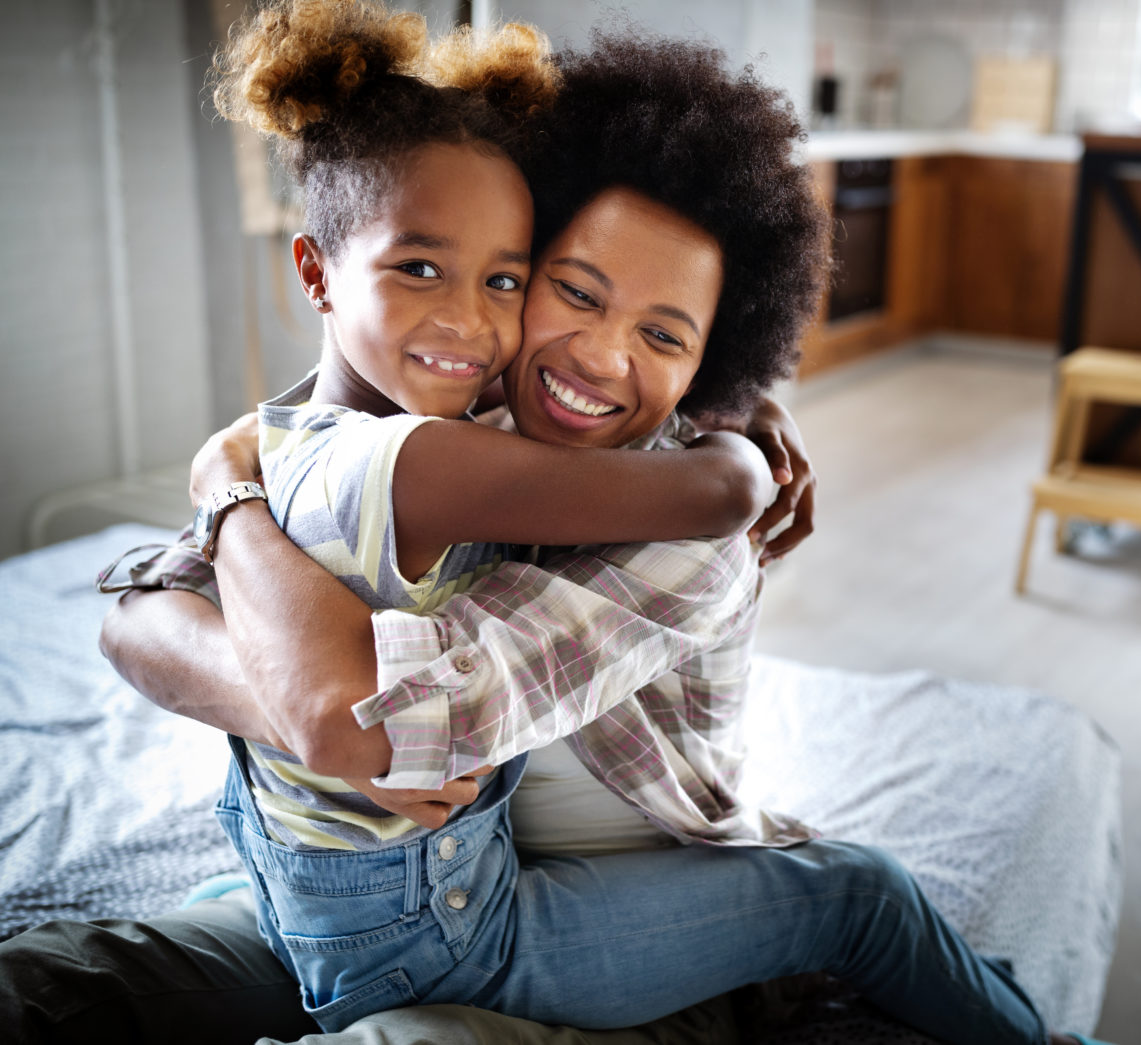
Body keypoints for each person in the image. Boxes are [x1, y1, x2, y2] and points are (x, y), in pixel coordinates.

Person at [0, 14, 1074, 1045]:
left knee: (407, 1036)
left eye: (663, 333)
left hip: (620, 950)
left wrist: (739, 435)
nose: (600, 358)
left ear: (713, 362)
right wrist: (275, 649)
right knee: (68, 978)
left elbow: (373, 720)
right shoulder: (453, 415)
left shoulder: (678, 529)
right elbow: (139, 617)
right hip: (417, 886)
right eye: (569, 289)